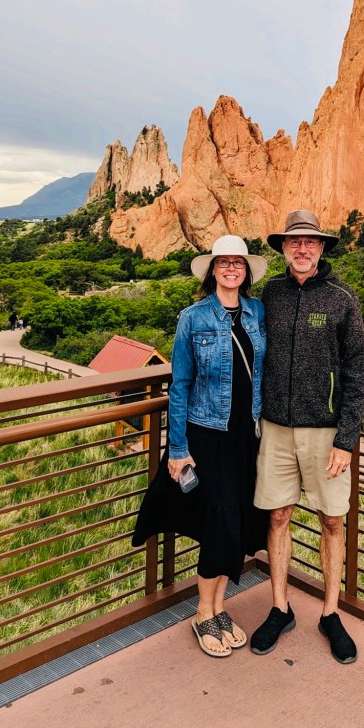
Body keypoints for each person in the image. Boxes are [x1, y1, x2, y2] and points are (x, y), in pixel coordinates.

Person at [132, 234, 269, 658]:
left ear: (246, 272)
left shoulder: (257, 312)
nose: (231, 269)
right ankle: (202, 613)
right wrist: (177, 448)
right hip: (207, 434)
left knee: (237, 519)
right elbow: (180, 385)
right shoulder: (192, 318)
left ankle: (220, 607)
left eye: (238, 263)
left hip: (247, 434)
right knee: (220, 522)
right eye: (223, 262)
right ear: (212, 270)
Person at [251, 210, 364, 664]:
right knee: (278, 515)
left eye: (310, 242)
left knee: (333, 520)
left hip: (326, 432)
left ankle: (330, 613)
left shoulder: (343, 299)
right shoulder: (271, 294)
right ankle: (280, 608)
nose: (302, 249)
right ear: (283, 248)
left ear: (321, 248)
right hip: (276, 428)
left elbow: (356, 373)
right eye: (294, 242)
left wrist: (347, 439)